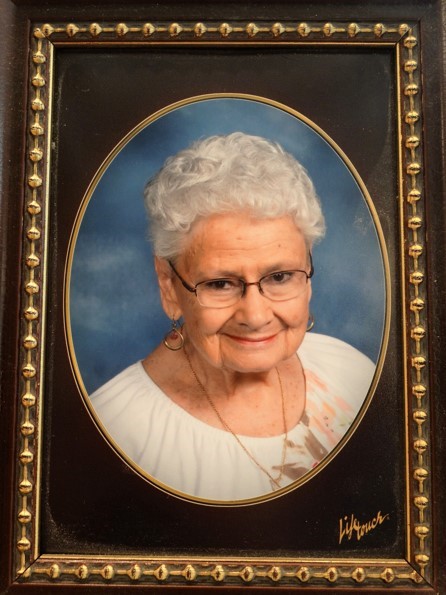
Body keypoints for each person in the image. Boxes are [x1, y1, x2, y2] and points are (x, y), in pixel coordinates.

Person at [90, 132, 375, 502]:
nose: (255, 316)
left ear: (308, 274)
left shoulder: (352, 373)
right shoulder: (116, 437)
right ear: (169, 286)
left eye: (280, 277)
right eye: (220, 284)